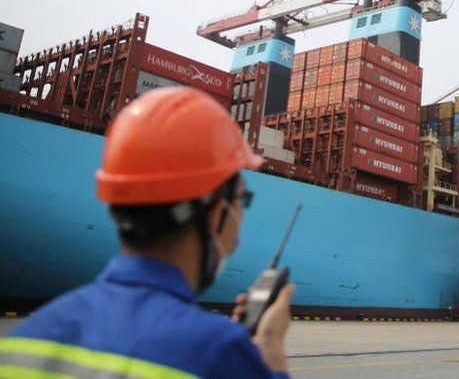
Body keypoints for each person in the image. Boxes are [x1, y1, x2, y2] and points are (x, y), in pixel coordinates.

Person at [0, 87, 294, 378]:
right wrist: (271, 352)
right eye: (242, 200)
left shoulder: (26, 338)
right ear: (217, 212)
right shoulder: (221, 352)